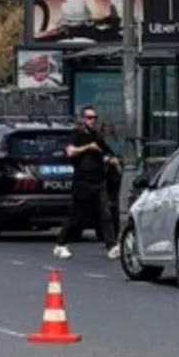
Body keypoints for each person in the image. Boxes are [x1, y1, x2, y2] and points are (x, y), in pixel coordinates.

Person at [53, 105, 121, 261]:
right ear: (83, 119)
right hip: (82, 181)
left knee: (105, 213)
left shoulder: (97, 136)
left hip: (98, 181)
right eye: (89, 118)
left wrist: (111, 160)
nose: (93, 121)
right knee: (77, 215)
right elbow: (70, 151)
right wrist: (87, 147)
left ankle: (111, 246)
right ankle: (61, 244)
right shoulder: (76, 135)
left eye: (95, 118)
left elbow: (106, 152)